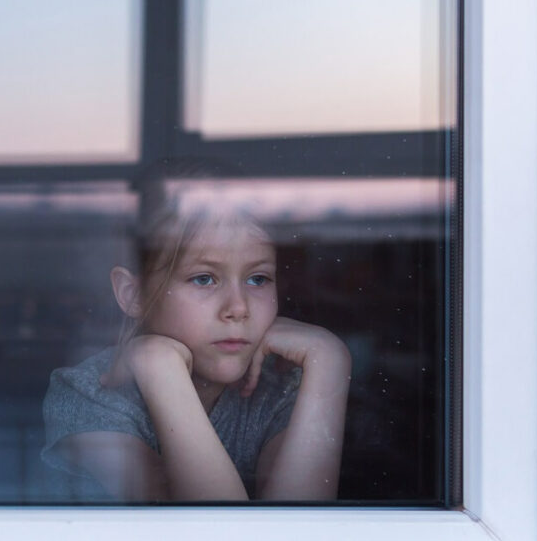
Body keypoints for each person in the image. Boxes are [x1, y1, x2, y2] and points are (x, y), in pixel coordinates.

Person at [41, 203, 351, 501]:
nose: (239, 308)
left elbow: (299, 532)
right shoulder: (88, 393)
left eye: (257, 279)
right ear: (133, 294)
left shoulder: (279, 385)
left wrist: (329, 359)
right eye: (204, 279)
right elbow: (213, 533)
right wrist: (160, 367)